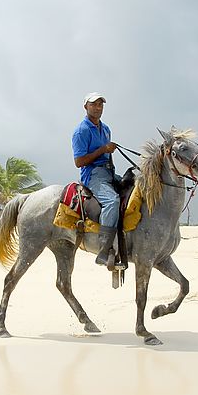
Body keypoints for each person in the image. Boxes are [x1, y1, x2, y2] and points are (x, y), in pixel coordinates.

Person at [71, 92, 121, 266]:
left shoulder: (106, 128)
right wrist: (102, 150)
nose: (98, 108)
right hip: (92, 175)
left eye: (100, 105)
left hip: (108, 172)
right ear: (86, 107)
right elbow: (79, 162)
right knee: (112, 201)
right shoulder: (81, 131)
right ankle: (104, 250)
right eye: (94, 104)